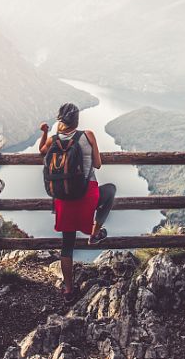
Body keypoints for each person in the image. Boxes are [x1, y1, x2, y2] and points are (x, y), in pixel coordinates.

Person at [38, 102, 116, 302]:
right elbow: (97, 164)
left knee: (67, 244)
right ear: (77, 120)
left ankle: (68, 289)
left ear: (60, 120)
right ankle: (95, 232)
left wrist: (46, 132)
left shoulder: (54, 140)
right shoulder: (87, 135)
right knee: (110, 191)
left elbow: (41, 150)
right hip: (86, 196)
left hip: (63, 199)